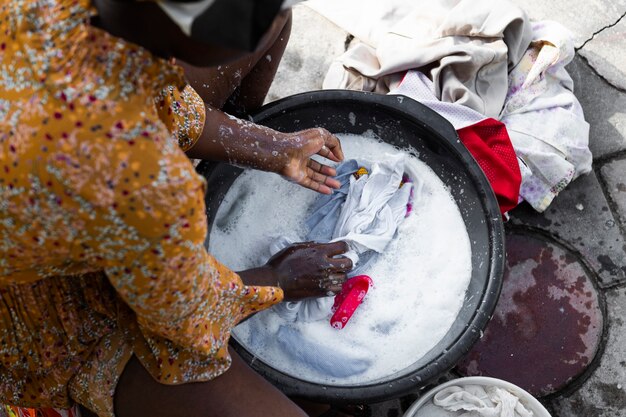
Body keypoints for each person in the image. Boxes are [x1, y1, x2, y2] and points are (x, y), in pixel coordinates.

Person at [0, 0, 353, 416]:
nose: (274, 12)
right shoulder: (140, 179)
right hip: (40, 321)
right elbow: (192, 317)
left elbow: (156, 100)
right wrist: (279, 278)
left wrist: (275, 148)